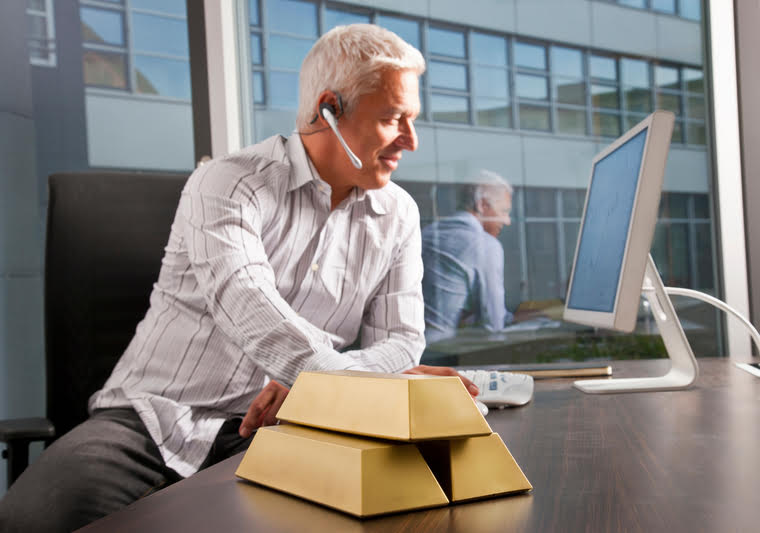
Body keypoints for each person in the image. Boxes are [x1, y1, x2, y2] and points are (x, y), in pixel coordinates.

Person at [0, 24, 477, 532]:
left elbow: (402, 342)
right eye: (392, 118)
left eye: (413, 119)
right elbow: (249, 306)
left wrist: (315, 390)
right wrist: (328, 383)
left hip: (288, 427)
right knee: (39, 517)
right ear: (328, 109)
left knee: (413, 506)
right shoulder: (229, 181)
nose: (411, 139)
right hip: (153, 420)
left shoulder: (398, 214)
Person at [421, 170, 514, 343]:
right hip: (442, 353)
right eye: (504, 211)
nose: (507, 220)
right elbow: (493, 324)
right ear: (482, 205)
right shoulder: (484, 244)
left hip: (409, 350)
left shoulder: (428, 233)